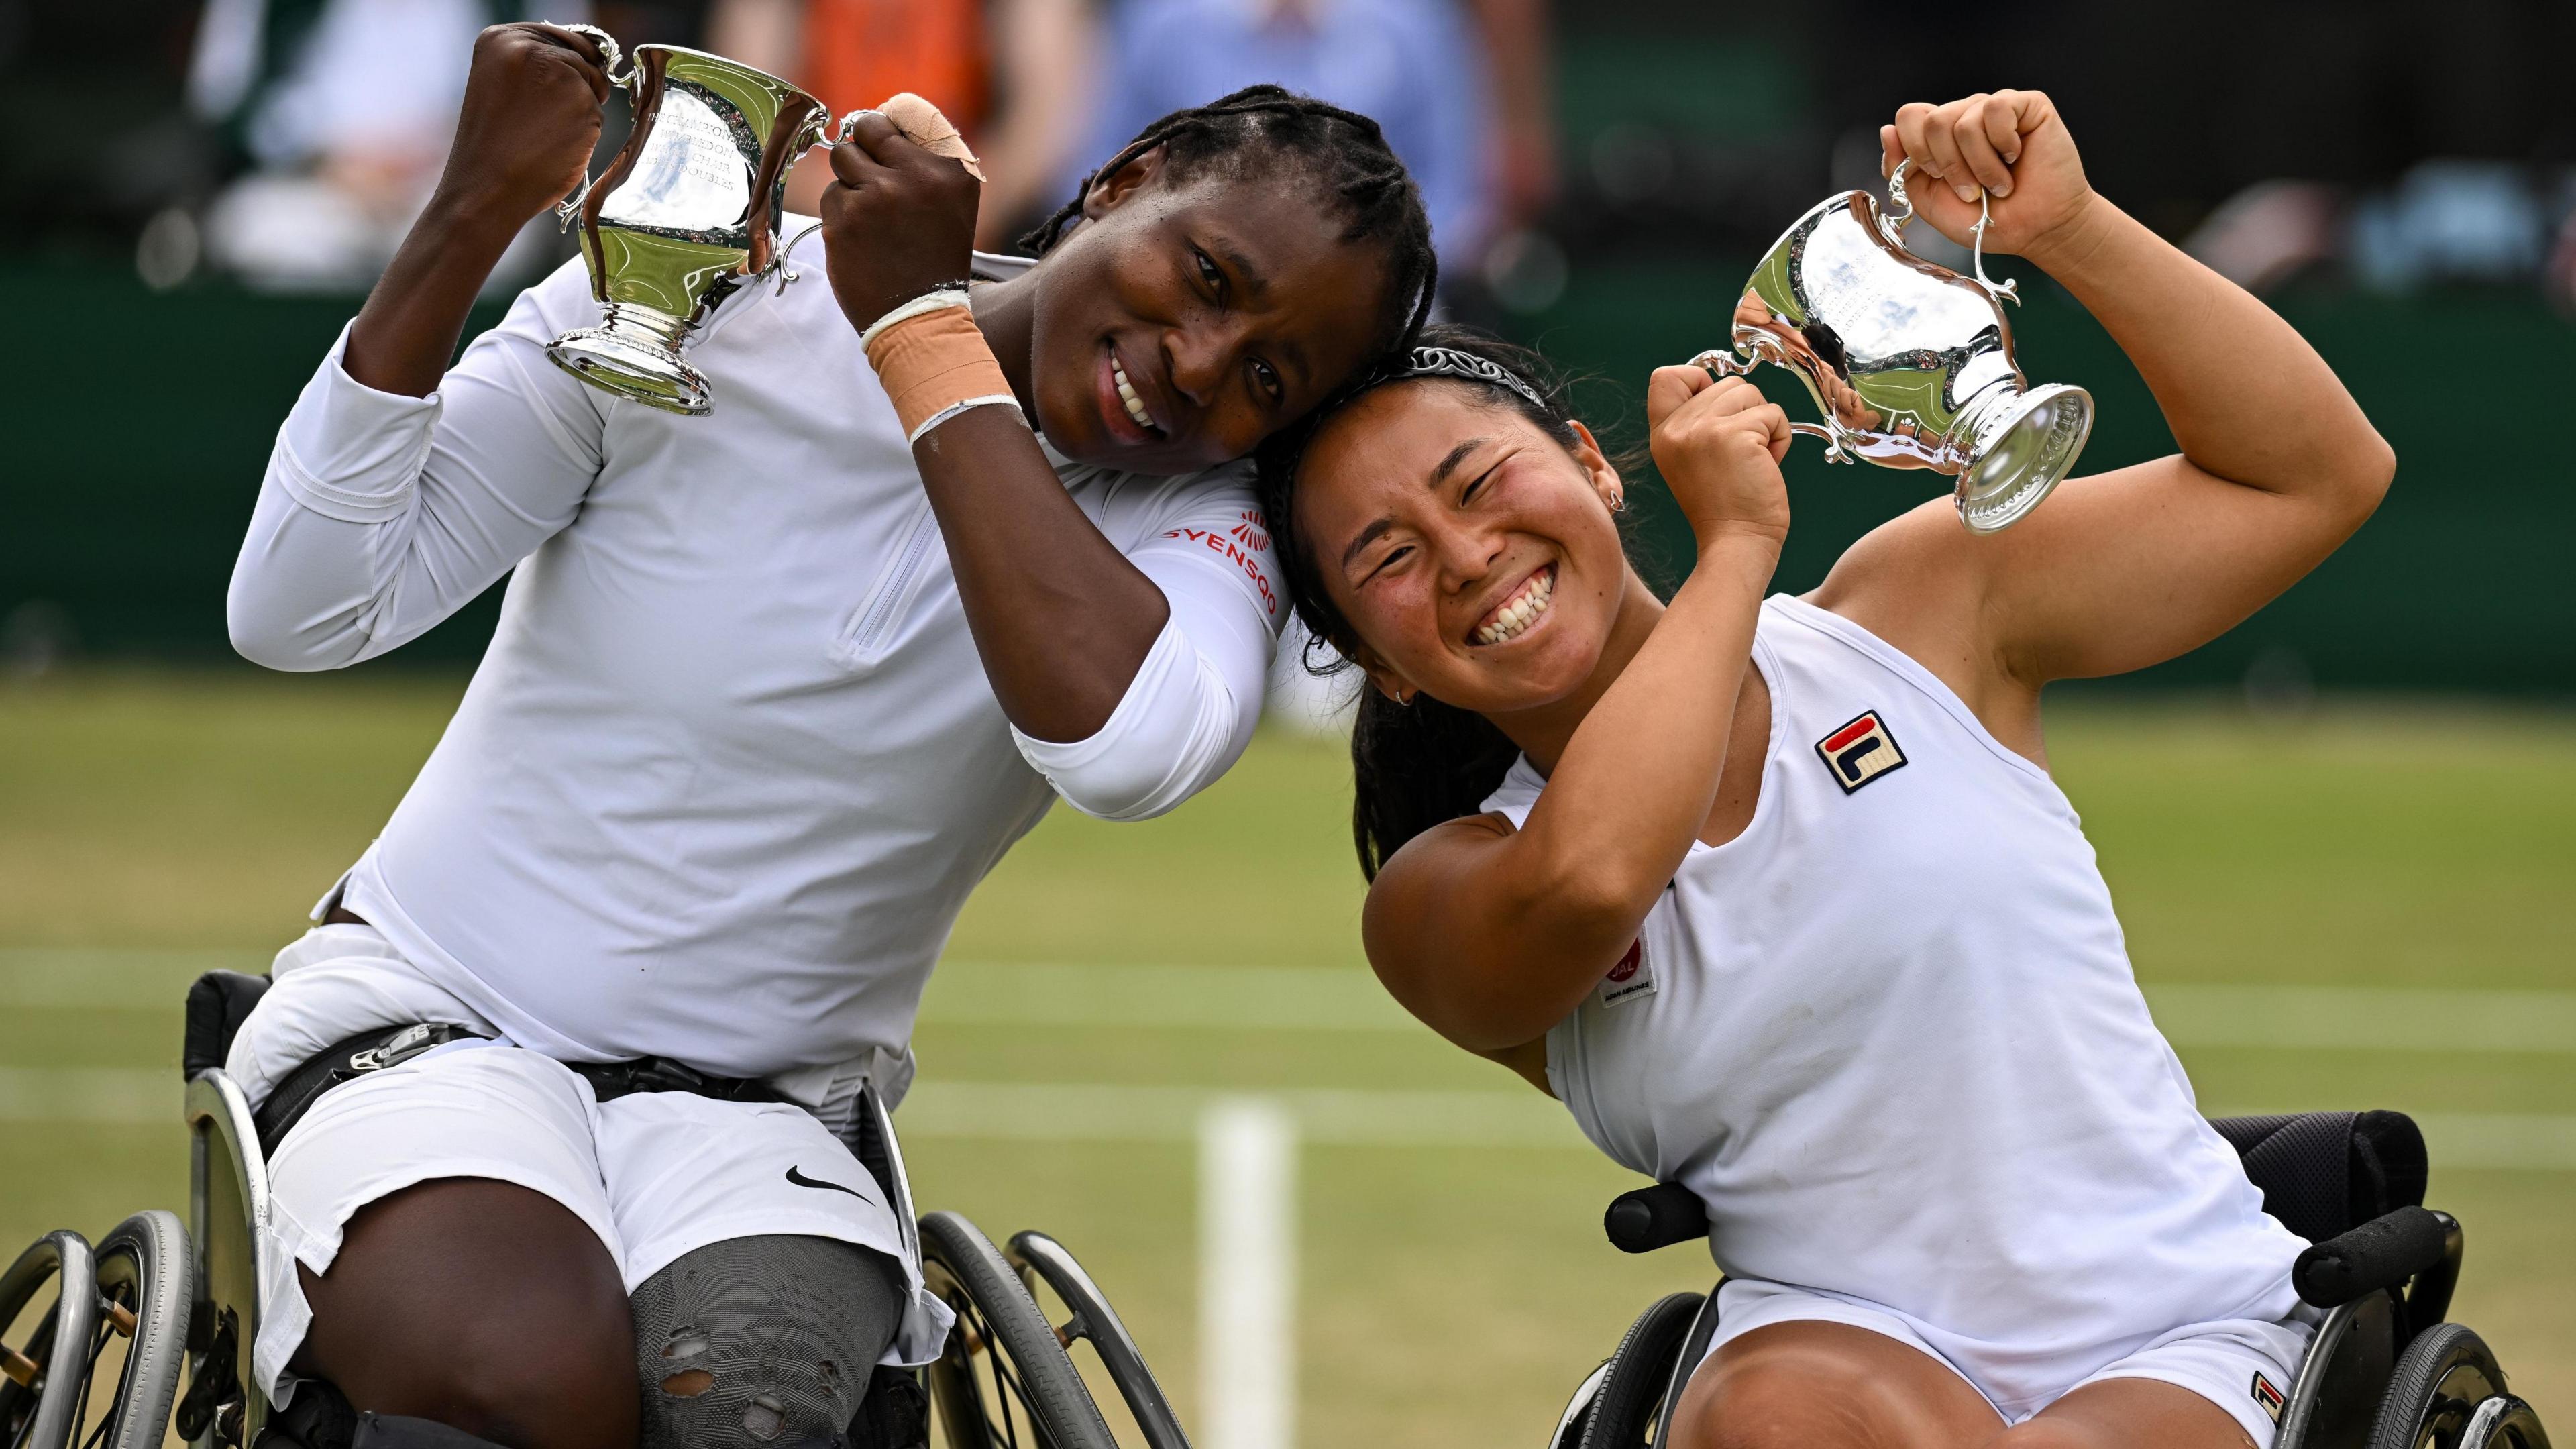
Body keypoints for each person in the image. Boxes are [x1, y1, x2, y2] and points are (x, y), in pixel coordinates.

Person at [220, 23, 1435, 1449]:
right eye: (1209, 278)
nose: (1198, 365)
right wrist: (473, 208)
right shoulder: (710, 290)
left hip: (766, 1122)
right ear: (1126, 179)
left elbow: (1123, 752)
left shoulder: (1202, 518)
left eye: (1273, 380)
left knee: (763, 1418)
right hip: (432, 1029)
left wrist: (917, 329)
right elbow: (305, 608)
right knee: (529, 1380)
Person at [1253, 91, 2394, 1449]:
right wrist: (1734, 549)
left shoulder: (1921, 613)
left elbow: (2314, 477)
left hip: (2180, 1329)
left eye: (1479, 480)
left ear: (1590, 470)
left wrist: (2072, 230)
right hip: (1840, 1342)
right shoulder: (1441, 898)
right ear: (1374, 662)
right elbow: (1604, 870)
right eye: (1385, 557)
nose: (1462, 552)